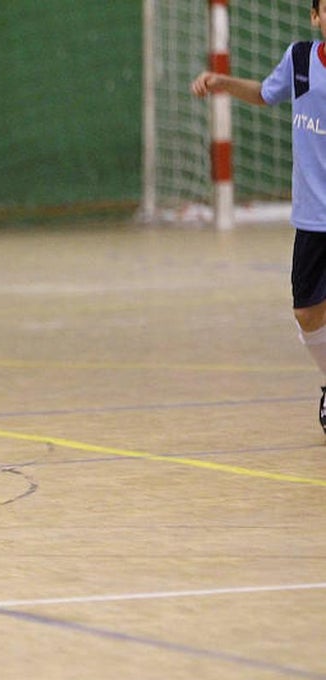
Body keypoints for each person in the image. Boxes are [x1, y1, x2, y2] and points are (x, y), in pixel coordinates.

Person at [191, 1, 326, 436]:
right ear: (316, 17)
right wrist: (223, 82)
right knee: (307, 312)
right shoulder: (301, 61)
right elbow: (266, 94)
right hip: (312, 216)